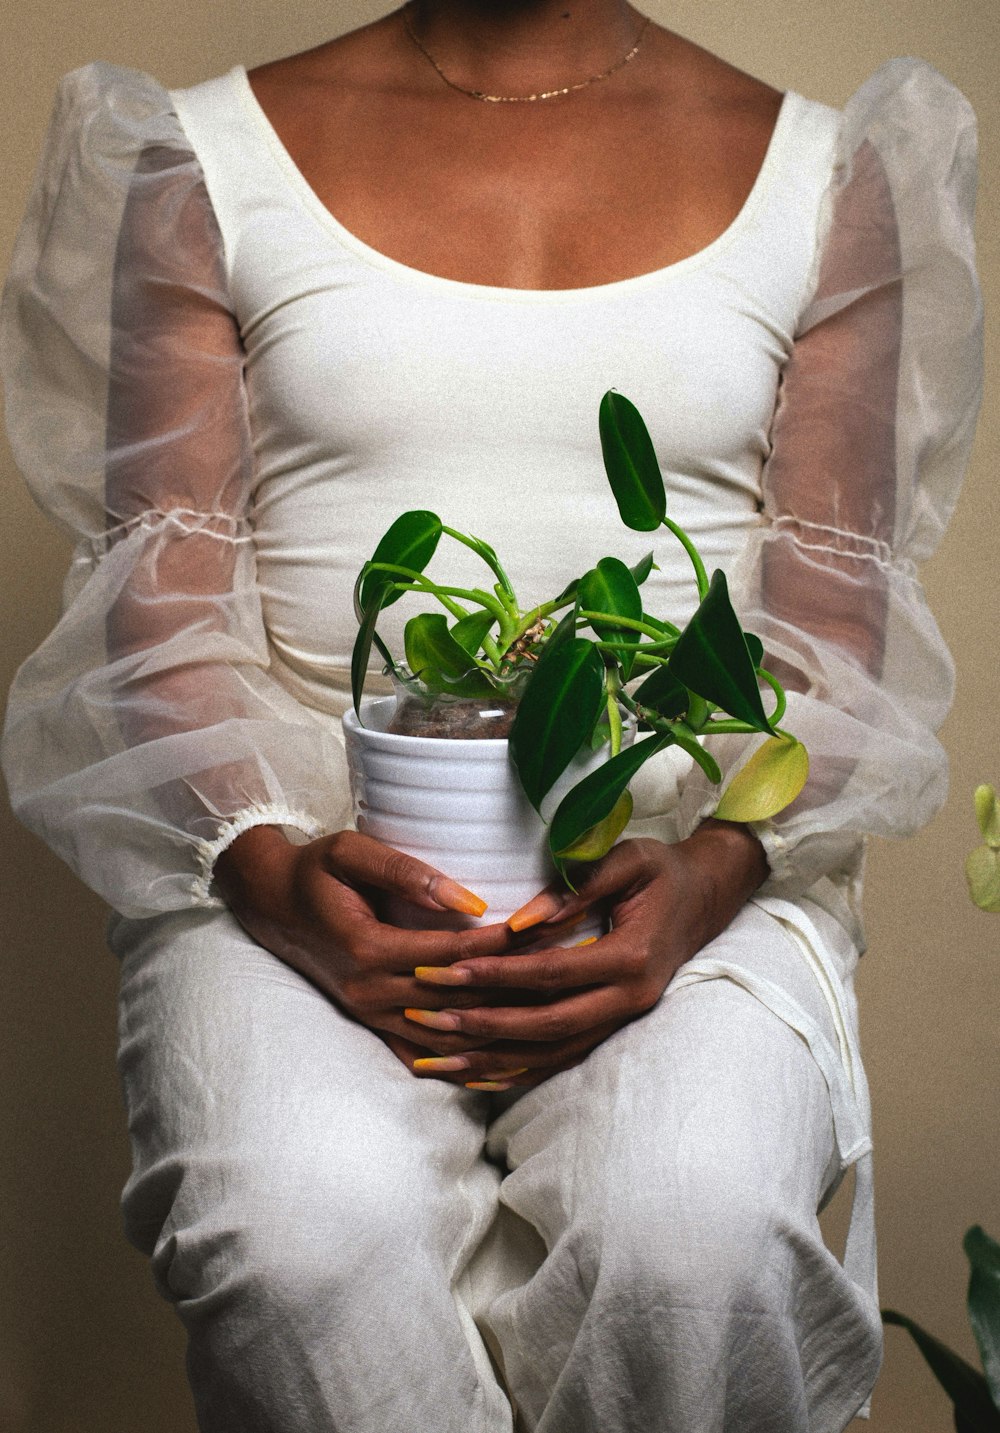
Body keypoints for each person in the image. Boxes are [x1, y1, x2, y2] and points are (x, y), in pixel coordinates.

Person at [0, 2, 982, 1429]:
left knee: (691, 1237)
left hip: (690, 877)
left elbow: (835, 643)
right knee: (299, 1234)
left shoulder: (825, 175)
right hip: (300, 871)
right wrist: (275, 875)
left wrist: (706, 878)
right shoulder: (198, 158)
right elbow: (162, 612)